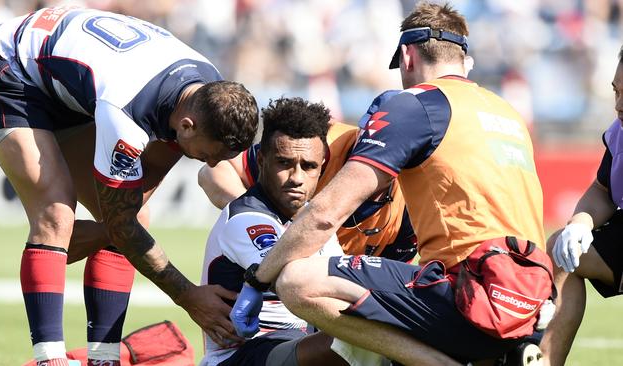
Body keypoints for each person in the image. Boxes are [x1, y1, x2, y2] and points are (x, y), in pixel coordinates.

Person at [230, 2, 549, 365]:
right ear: (464, 60)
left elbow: (324, 213)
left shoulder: (415, 104)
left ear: (407, 56)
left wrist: (257, 281)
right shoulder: (507, 113)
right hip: (531, 302)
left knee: (295, 280)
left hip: (471, 296)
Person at [0, 6, 258, 366]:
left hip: (71, 78)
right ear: (187, 126)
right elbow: (122, 227)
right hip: (10, 65)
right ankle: (49, 360)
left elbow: (130, 210)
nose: (214, 164)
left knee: (133, 216)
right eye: (211, 154)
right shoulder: (126, 113)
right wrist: (188, 296)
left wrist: (121, 227)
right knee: (56, 215)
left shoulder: (204, 92)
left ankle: (103, 359)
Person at [199, 97, 348, 366]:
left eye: (309, 166)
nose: (297, 178)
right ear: (262, 160)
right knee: (357, 341)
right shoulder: (246, 219)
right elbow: (296, 279)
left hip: (294, 344)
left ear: (322, 166)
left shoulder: (312, 216)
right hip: (241, 356)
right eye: (285, 163)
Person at [198, 100, 417, 262]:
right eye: (369, 132)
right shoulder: (316, 149)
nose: (371, 144)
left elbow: (389, 284)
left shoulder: (415, 199)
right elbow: (213, 172)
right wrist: (262, 218)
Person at [539, 48, 623, 366]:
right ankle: (545, 361)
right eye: (616, 91)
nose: (619, 105)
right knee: (562, 252)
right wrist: (580, 223)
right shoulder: (619, 133)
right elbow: (601, 190)